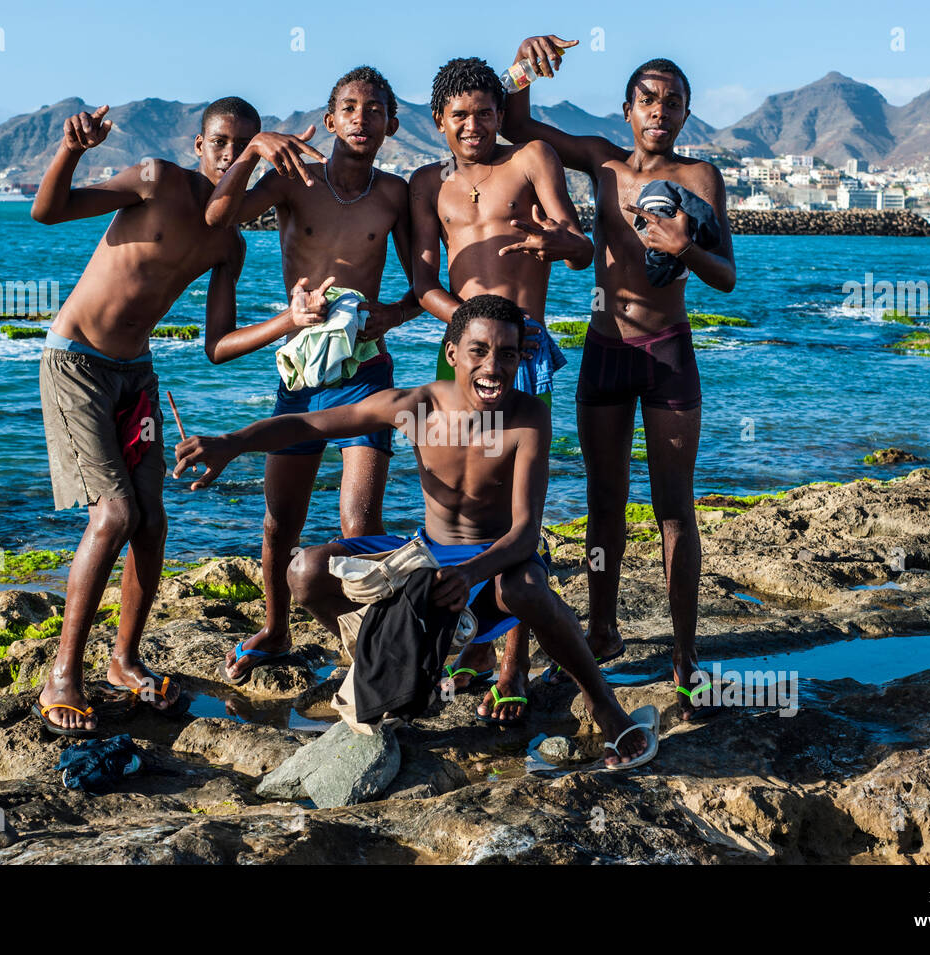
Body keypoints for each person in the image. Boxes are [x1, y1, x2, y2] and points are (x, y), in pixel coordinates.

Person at [173, 295, 656, 767]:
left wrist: (470, 573)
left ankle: (605, 708)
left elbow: (527, 533)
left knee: (526, 584)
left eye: (507, 354)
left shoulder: (528, 417)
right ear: (451, 354)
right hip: (427, 562)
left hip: (495, 566)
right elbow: (309, 423)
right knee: (306, 570)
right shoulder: (416, 406)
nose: (493, 366)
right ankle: (387, 664)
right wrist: (230, 442)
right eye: (479, 351)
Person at [501, 35, 737, 718]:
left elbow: (727, 276)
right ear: (627, 109)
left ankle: (685, 657)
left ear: (685, 114)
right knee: (604, 501)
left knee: (673, 510)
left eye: (673, 101)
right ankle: (602, 631)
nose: (659, 110)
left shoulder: (701, 180)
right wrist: (522, 64)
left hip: (668, 350)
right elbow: (519, 126)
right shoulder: (602, 165)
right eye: (648, 99)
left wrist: (685, 246)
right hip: (606, 347)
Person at [28, 96, 261, 735]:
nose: (227, 157)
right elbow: (48, 212)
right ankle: (63, 674)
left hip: (137, 377)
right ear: (197, 145)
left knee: (152, 518)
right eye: (218, 143)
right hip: (75, 362)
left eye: (242, 148)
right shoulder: (155, 179)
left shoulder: (228, 243)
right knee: (116, 512)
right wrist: (72, 150)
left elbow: (217, 344)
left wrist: (292, 321)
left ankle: (122, 660)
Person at [203, 66, 422, 685]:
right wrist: (249, 151)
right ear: (329, 122)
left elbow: (424, 281)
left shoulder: (395, 194)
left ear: (391, 125)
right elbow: (219, 218)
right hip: (300, 372)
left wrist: (396, 312)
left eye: (375, 109)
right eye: (349, 108)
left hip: (365, 371)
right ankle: (275, 630)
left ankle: (374, 652)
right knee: (281, 520)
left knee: (360, 527)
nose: (361, 118)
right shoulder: (292, 183)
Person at [408, 56, 594, 723]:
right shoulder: (427, 184)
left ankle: (512, 664)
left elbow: (581, 247)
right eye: (460, 115)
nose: (474, 125)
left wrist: (561, 240)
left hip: (525, 350)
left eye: (486, 111)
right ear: (440, 121)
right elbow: (423, 279)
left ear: (499, 112)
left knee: (518, 501)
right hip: (459, 348)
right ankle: (475, 640)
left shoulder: (533, 159)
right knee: (460, 494)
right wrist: (465, 323)